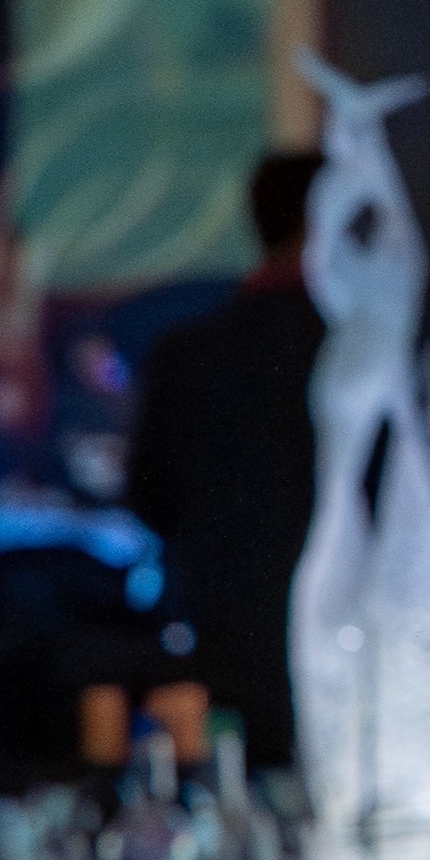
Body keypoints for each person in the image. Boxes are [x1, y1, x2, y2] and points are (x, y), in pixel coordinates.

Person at [127, 149, 333, 753]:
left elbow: (149, 499)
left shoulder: (185, 353)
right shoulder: (352, 359)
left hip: (223, 631)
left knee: (243, 795)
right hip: (342, 635)